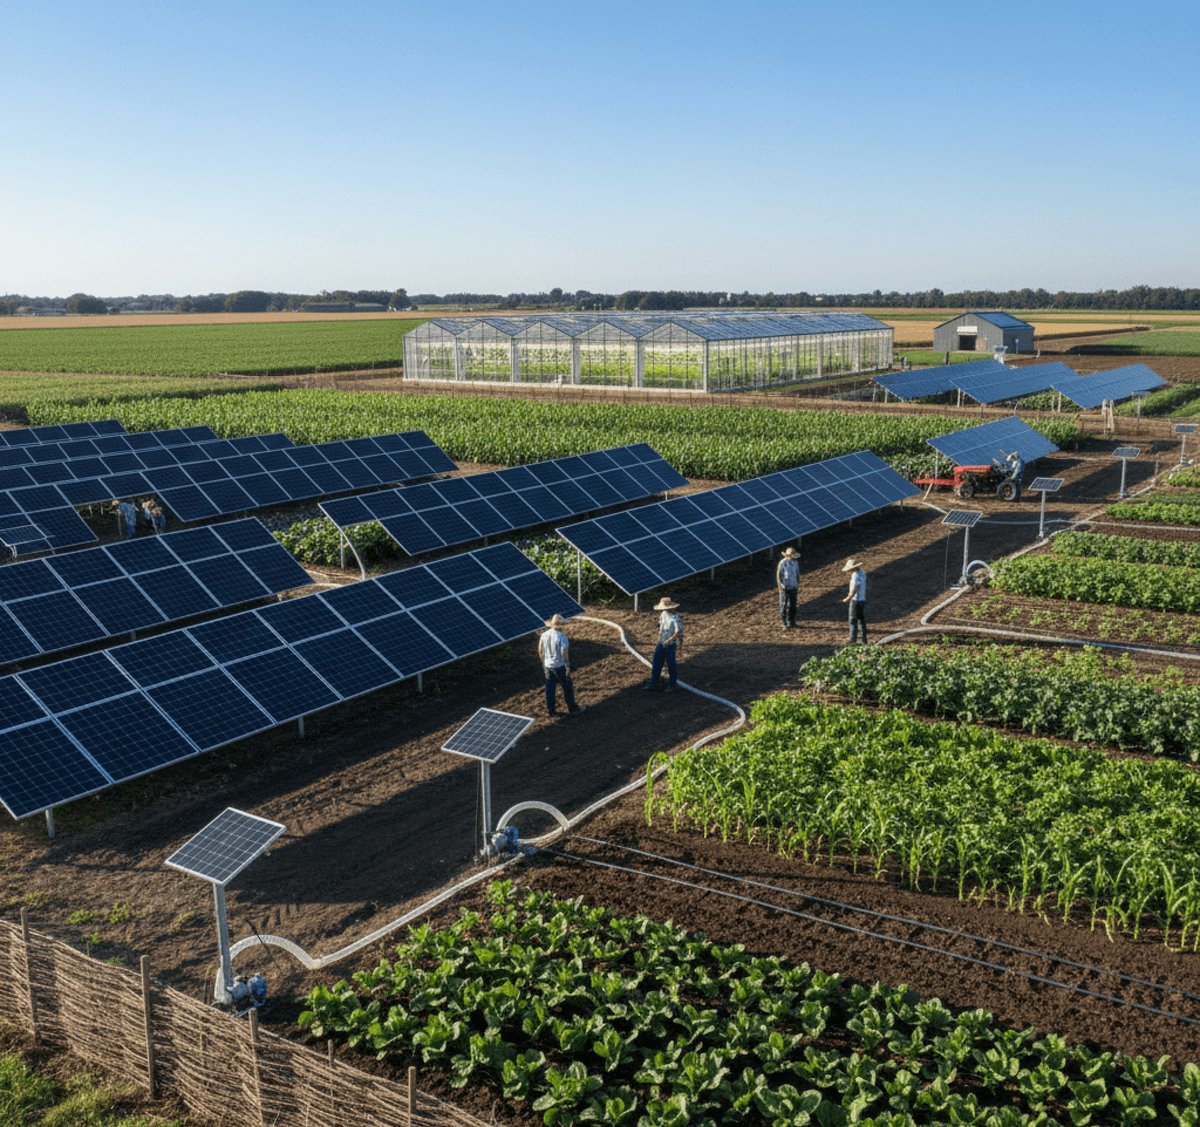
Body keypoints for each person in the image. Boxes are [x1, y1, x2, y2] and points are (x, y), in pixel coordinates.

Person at [538, 613, 582, 717]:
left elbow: (540, 651)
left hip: (548, 666)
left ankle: (551, 711)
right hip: (559, 666)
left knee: (550, 689)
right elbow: (564, 654)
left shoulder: (544, 635)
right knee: (567, 687)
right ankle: (573, 708)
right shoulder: (562, 637)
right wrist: (567, 667)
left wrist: (544, 664)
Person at [644, 597, 682, 692]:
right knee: (657, 662)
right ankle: (653, 683)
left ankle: (672, 685)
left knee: (670, 664)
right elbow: (661, 627)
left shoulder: (675, 618)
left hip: (670, 644)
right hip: (661, 642)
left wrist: (670, 639)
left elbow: (678, 632)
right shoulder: (663, 614)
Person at [841, 557, 867, 644]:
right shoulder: (862, 573)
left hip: (855, 600)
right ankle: (862, 639)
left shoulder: (855, 575)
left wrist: (848, 598)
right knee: (861, 620)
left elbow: (854, 588)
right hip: (862, 599)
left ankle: (852, 639)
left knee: (852, 620)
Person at [776, 546, 800, 629]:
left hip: (793, 587)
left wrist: (797, 585)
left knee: (793, 605)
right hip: (785, 588)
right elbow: (778, 575)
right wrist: (780, 585)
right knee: (783, 605)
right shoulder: (782, 563)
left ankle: (791, 622)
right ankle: (783, 622)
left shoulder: (795, 563)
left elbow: (797, 574)